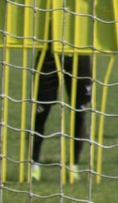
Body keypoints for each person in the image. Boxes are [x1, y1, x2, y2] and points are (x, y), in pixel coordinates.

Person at [30, 50, 92, 182]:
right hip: (49, 53)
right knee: (40, 112)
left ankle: (73, 165)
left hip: (78, 52)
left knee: (79, 112)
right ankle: (34, 164)